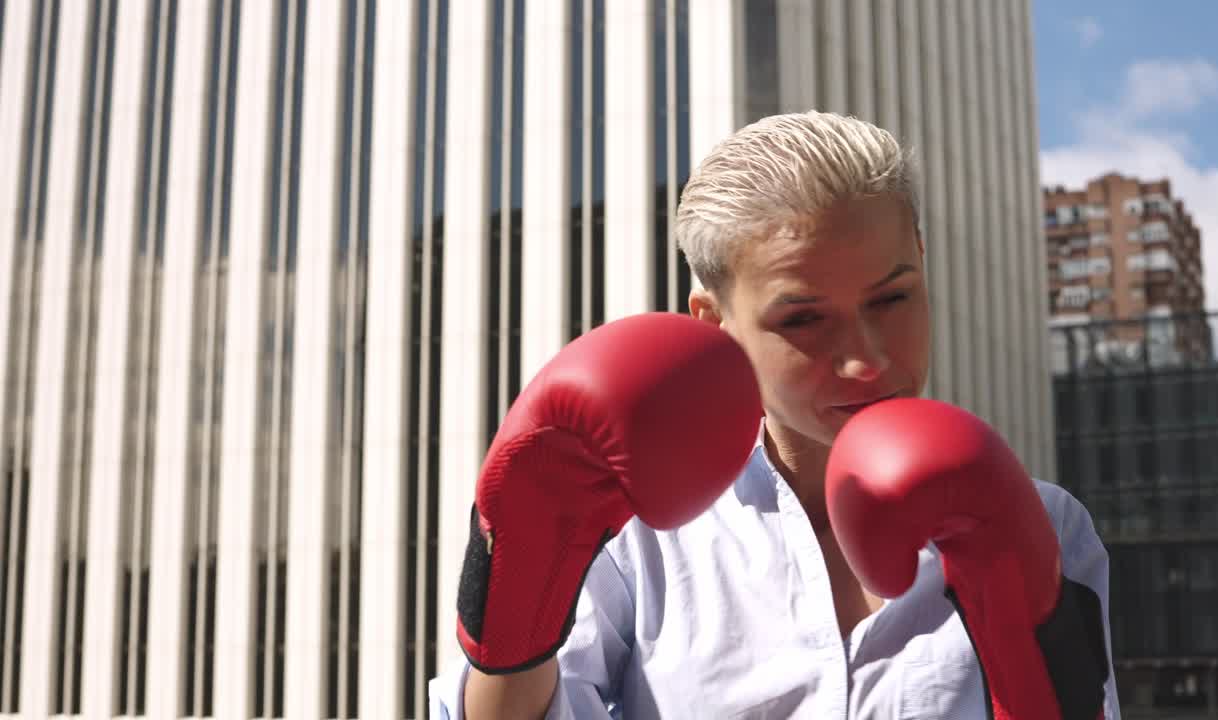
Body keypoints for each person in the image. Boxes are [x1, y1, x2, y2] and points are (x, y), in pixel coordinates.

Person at [428, 111, 1121, 719]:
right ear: (715, 324)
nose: (866, 360)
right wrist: (511, 607)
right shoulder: (639, 536)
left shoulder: (1042, 521)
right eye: (804, 319)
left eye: (891, 299)